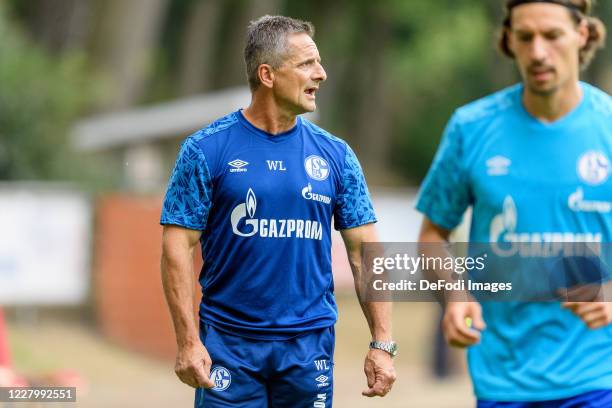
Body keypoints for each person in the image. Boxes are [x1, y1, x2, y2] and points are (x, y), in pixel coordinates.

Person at [160, 15, 396, 407]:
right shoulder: (205, 150)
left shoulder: (337, 155)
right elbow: (176, 248)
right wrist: (188, 341)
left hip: (309, 348)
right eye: (306, 64)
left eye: (318, 63)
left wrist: (382, 343)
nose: (321, 74)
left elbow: (365, 252)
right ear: (267, 75)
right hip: (228, 347)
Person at [416, 0, 611, 406]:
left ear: (583, 34)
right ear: (509, 40)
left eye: (552, 35)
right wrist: (454, 297)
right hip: (502, 379)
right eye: (525, 37)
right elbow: (433, 234)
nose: (538, 52)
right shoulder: (471, 128)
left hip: (598, 375)